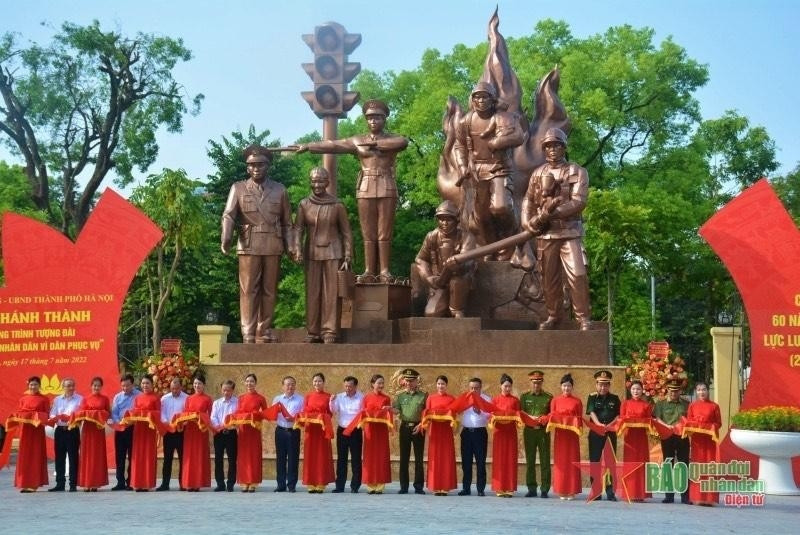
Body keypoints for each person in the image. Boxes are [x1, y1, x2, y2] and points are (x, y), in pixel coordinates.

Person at [296, 99, 408, 281]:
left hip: (387, 185)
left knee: (384, 232)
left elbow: (403, 142)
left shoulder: (391, 139)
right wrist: (309, 146)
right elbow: (332, 145)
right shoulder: (358, 140)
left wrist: (375, 145)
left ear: (384, 119)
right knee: (368, 232)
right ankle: (369, 270)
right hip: (365, 187)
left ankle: (385, 270)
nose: (373, 121)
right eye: (370, 118)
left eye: (378, 117)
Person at [521, 127, 591, 330]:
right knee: (548, 278)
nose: (552, 150)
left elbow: (578, 201)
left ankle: (583, 318)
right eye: (548, 146)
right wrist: (527, 221)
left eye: (557, 145)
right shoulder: (538, 173)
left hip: (570, 233)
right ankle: (554, 316)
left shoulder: (577, 171)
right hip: (546, 234)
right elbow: (528, 200)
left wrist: (553, 212)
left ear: (563, 148)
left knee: (578, 274)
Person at [221, 144, 292, 343]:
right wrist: (226, 237)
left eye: (261, 164)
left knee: (269, 290)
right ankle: (248, 332)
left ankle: (264, 329)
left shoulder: (279, 190)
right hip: (249, 244)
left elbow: (288, 222)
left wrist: (292, 247)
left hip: (272, 243)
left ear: (268, 166)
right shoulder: (238, 188)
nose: (256, 168)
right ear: (247, 168)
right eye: (252, 165)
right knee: (248, 289)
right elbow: (228, 215)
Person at [454, 81, 525, 258]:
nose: (480, 100)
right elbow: (459, 146)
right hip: (478, 172)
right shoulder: (466, 121)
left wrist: (499, 142)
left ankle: (514, 240)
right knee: (481, 216)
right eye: (477, 97)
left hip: (500, 169)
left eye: (484, 97)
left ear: (492, 99)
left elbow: (518, 136)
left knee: (501, 207)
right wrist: (462, 166)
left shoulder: (503, 117)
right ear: (472, 100)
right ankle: (490, 249)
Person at [292, 167, 353, 344]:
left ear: (327, 182)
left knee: (331, 293)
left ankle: (330, 332)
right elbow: (298, 229)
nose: (317, 184)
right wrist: (297, 249)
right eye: (314, 181)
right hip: (311, 252)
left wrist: (348, 255)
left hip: (334, 253)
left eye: (320, 181)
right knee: (313, 292)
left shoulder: (337, 205)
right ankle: (313, 332)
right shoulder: (304, 204)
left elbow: (347, 232)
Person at [415, 200, 477, 318]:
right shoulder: (432, 237)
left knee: (457, 284)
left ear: (456, 220)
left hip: (460, 280)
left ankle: (457, 310)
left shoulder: (466, 237)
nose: (444, 223)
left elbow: (469, 260)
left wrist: (459, 265)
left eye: (449, 219)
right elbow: (421, 259)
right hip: (440, 281)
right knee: (431, 314)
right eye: (441, 219)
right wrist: (428, 277)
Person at [654, 379, 690, 504]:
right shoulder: (661, 404)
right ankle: (669, 496)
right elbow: (657, 418)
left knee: (684, 465)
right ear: (667, 390)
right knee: (668, 465)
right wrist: (666, 426)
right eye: (671, 390)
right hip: (667, 436)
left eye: (676, 390)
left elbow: (690, 419)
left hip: (682, 437)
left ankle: (685, 496)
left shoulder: (686, 404)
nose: (673, 393)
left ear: (680, 391)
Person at [392, 368, 428, 494]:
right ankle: (404, 486)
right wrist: (389, 409)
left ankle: (418, 487)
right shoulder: (400, 396)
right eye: (407, 380)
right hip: (405, 427)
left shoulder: (423, 396)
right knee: (404, 458)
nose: (408, 383)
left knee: (419, 458)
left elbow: (426, 413)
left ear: (416, 381)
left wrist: (422, 425)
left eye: (411, 381)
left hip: (418, 428)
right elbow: (397, 410)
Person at [547, 373, 583, 500]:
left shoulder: (577, 401)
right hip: (560, 435)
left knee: (572, 461)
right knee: (561, 462)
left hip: (572, 436)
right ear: (561, 387)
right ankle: (561, 490)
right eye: (564, 386)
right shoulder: (555, 400)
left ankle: (572, 490)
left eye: (568, 386)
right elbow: (552, 415)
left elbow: (579, 418)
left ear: (572, 387)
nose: (566, 388)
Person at [685, 381, 721, 506]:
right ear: (696, 392)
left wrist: (709, 426)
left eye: (704, 389)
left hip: (709, 441)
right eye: (699, 390)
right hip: (697, 441)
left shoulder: (714, 406)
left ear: (708, 391)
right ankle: (697, 497)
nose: (701, 392)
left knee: (709, 465)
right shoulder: (692, 406)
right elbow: (689, 421)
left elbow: (718, 423)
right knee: (698, 465)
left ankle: (710, 498)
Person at [586, 369, 620, 501]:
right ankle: (596, 491)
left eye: (605, 384)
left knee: (610, 463)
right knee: (595, 461)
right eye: (600, 384)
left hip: (610, 433)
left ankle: (610, 491)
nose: (603, 387)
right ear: (596, 385)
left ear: (609, 385)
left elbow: (618, 415)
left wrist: (610, 425)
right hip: (596, 432)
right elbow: (591, 412)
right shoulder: (592, 397)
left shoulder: (615, 398)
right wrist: (599, 424)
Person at [298, 373, 335, 493]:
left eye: (319, 381)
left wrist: (322, 416)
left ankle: (321, 483)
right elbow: (304, 411)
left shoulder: (329, 396)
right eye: (315, 381)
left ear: (323, 382)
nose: (317, 383)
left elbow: (330, 414)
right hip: (310, 430)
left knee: (321, 456)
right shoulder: (308, 396)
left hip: (322, 430)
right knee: (310, 456)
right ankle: (310, 483)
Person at [617, 380, 653, 501]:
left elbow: (649, 421)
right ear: (630, 390)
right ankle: (629, 492)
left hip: (641, 438)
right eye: (633, 389)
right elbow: (621, 420)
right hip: (629, 437)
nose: (636, 391)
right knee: (629, 464)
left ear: (642, 390)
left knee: (642, 463)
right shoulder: (625, 404)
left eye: (638, 389)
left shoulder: (646, 405)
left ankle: (641, 493)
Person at [13, 376, 50, 492]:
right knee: (24, 456)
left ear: (39, 386)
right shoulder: (23, 399)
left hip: (36, 431)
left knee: (35, 455)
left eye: (35, 384)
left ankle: (34, 484)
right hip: (25, 431)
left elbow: (46, 415)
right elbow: (19, 413)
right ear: (28, 385)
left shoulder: (44, 399)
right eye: (31, 384)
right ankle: (24, 482)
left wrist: (35, 415)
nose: (33, 387)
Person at [233, 373, 269, 492]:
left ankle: (253, 481)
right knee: (243, 455)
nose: (249, 383)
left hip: (254, 430)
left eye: (252, 381)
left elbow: (265, 413)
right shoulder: (241, 398)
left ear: (255, 383)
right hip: (243, 430)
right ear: (244, 383)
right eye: (247, 381)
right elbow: (238, 411)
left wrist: (255, 415)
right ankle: (244, 481)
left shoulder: (260, 398)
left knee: (254, 455)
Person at [519, 370, 552, 498]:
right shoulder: (525, 397)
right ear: (530, 382)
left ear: (542, 382)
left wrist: (543, 418)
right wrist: (530, 417)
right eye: (534, 382)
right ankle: (531, 488)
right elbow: (521, 412)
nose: (536, 385)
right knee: (530, 460)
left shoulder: (548, 397)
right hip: (529, 431)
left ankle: (544, 489)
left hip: (543, 431)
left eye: (538, 382)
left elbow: (551, 414)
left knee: (545, 460)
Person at [178, 374, 213, 491]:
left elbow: (210, 416)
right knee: (189, 456)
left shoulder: (208, 399)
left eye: (199, 384)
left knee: (199, 455)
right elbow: (185, 412)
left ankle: (198, 482)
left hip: (201, 430)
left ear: (204, 385)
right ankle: (188, 482)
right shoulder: (189, 398)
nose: (197, 386)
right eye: (195, 384)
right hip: (190, 430)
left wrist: (200, 417)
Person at [423, 375, 457, 496]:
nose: (440, 386)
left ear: (446, 385)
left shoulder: (452, 399)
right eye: (438, 384)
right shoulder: (431, 398)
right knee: (435, 458)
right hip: (435, 431)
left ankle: (445, 487)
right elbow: (426, 413)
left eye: (443, 384)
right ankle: (436, 486)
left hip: (446, 431)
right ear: (436, 385)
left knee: (446, 458)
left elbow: (454, 414)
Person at [75, 376, 110, 491]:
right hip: (88, 430)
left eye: (98, 385)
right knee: (87, 455)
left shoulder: (105, 399)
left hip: (98, 429)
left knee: (97, 456)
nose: (96, 387)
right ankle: (86, 482)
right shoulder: (85, 399)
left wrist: (99, 414)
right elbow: (81, 412)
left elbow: (108, 413)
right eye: (94, 385)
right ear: (91, 386)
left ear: (101, 387)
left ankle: (95, 482)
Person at [359, 374, 393, 494]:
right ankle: (370, 484)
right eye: (378, 383)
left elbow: (390, 415)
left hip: (381, 430)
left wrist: (388, 410)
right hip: (370, 430)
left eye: (382, 383)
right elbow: (362, 413)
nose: (381, 385)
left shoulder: (387, 398)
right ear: (372, 384)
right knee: (370, 456)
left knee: (381, 456)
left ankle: (380, 485)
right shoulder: (366, 398)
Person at [48, 377, 83, 492]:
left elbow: (80, 414)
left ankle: (73, 484)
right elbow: (52, 414)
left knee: (73, 458)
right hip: (60, 430)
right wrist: (56, 417)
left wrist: (72, 418)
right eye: (68, 386)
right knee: (59, 458)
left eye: (72, 385)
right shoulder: (57, 400)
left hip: (72, 430)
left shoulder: (80, 399)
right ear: (63, 387)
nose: (70, 388)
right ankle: (60, 484)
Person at [127, 375, 161, 491]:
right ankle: (137, 483)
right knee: (138, 455)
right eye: (143, 383)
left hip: (149, 430)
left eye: (147, 383)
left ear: (152, 385)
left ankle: (147, 483)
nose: (145, 385)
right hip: (138, 429)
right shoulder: (137, 398)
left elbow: (158, 414)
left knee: (148, 455)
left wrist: (149, 415)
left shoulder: (156, 398)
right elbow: (135, 412)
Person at [330, 376, 364, 493]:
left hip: (356, 431)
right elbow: (334, 411)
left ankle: (355, 486)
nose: (348, 388)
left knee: (356, 459)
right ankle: (340, 485)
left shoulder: (361, 398)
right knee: (341, 459)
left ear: (355, 386)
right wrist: (332, 401)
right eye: (346, 386)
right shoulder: (339, 397)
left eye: (350, 386)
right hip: (342, 431)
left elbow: (363, 414)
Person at [458, 377, 491, 497]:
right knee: (466, 462)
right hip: (466, 433)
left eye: (476, 388)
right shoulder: (465, 398)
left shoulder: (486, 399)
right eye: (471, 388)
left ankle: (480, 489)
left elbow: (490, 415)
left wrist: (480, 412)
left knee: (480, 462)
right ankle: (466, 488)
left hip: (480, 433)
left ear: (480, 388)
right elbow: (456, 409)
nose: (473, 390)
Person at [490, 374, 521, 497]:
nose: (507, 389)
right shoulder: (495, 400)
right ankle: (499, 488)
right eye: (505, 386)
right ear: (500, 386)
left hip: (511, 433)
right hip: (499, 433)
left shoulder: (515, 400)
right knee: (499, 460)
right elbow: (491, 415)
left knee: (510, 459)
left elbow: (518, 416)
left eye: (509, 386)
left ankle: (509, 488)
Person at [273, 376, 303, 493]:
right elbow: (273, 414)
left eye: (292, 384)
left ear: (295, 386)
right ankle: (280, 484)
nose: (290, 386)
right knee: (280, 458)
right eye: (287, 384)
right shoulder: (277, 399)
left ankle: (291, 485)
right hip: (280, 431)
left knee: (293, 458)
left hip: (293, 431)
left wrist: (294, 419)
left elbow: (302, 414)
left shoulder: (301, 399)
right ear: (283, 386)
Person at [110, 373, 140, 490]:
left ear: (132, 384)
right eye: (123, 386)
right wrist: (120, 422)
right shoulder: (117, 397)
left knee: (133, 456)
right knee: (120, 456)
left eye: (127, 386)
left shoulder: (139, 395)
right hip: (120, 428)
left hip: (134, 428)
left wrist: (130, 421)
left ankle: (131, 481)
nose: (125, 388)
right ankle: (120, 482)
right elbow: (114, 413)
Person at [158, 377, 187, 491]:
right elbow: (162, 414)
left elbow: (187, 414)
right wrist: (168, 423)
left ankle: (183, 483)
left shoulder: (187, 398)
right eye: (172, 388)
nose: (175, 390)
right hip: (168, 431)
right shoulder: (164, 399)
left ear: (181, 387)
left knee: (183, 458)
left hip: (181, 431)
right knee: (167, 458)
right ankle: (165, 483)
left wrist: (181, 423)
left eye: (177, 388)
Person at [210, 379, 238, 492]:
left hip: (231, 433)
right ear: (221, 390)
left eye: (228, 390)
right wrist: (219, 426)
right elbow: (213, 417)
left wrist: (230, 425)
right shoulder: (216, 403)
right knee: (218, 459)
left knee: (232, 459)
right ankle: (220, 483)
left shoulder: (237, 402)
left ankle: (230, 483)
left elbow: (238, 416)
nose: (226, 392)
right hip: (219, 433)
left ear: (232, 390)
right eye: (224, 390)